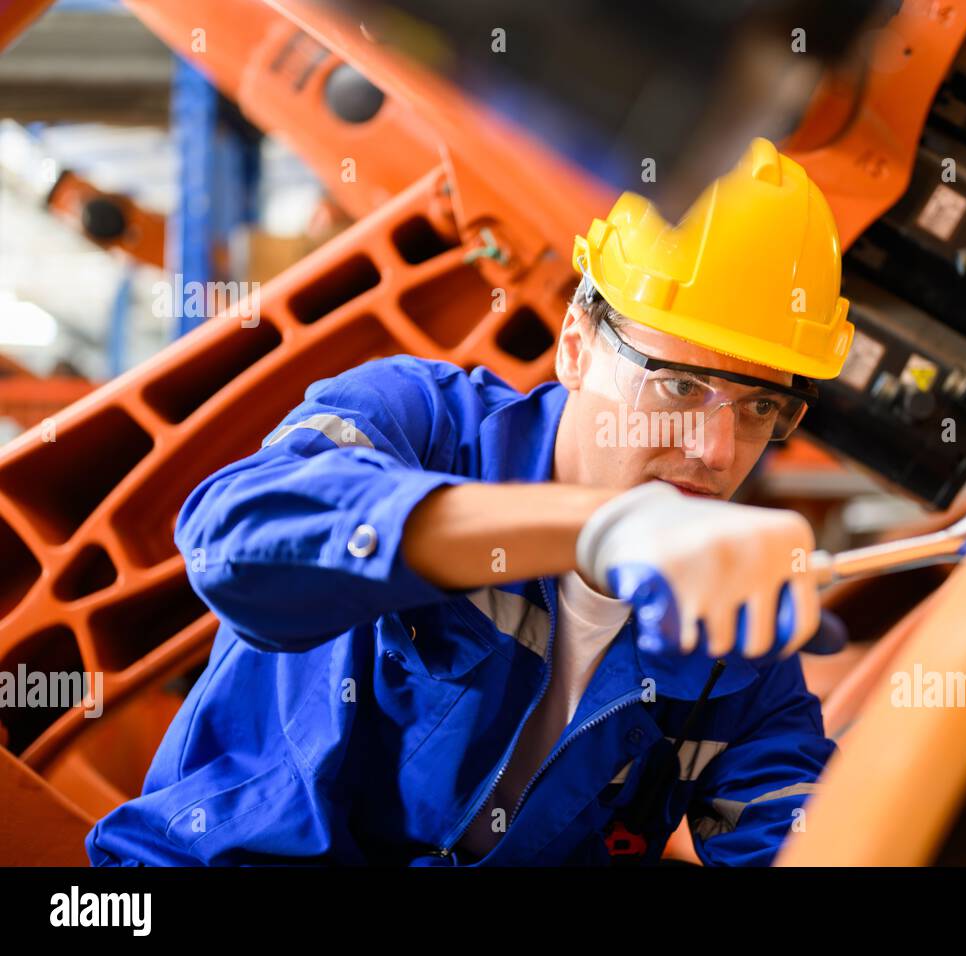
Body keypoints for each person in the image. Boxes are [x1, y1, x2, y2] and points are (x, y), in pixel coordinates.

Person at [85, 136, 855, 866]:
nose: (718, 451)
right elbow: (235, 545)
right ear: (576, 347)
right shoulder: (419, 423)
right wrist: (599, 532)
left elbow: (810, 836)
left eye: (760, 409)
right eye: (680, 386)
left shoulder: (734, 640)